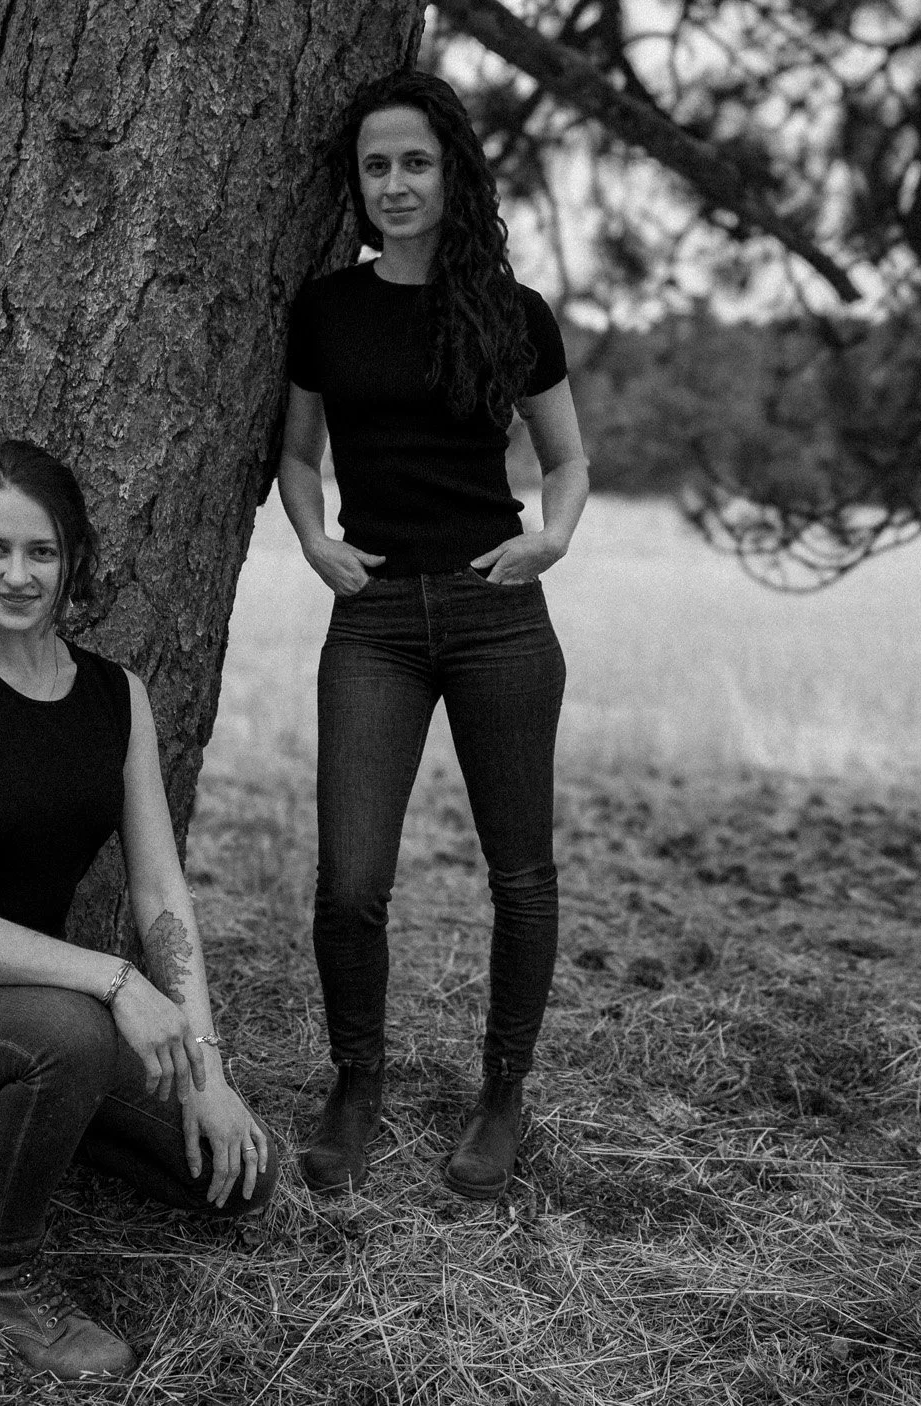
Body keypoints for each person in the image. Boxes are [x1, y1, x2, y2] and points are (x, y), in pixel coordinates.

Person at [0, 439, 275, 1381]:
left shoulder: (118, 697)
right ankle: (3, 1273)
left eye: (40, 552)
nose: (17, 575)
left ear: (73, 558)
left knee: (235, 1180)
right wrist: (113, 981)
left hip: (35, 1009)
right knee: (69, 1034)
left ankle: (2, 1125)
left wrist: (204, 1067)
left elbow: (159, 892)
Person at [277, 70, 592, 1200]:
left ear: (450, 173)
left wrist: (548, 541)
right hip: (371, 621)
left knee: (521, 873)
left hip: (497, 614)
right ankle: (354, 1085)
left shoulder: (512, 311)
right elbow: (299, 453)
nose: (396, 183)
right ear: (355, 186)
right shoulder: (325, 309)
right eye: (376, 165)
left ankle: (501, 1094)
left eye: (415, 161)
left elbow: (565, 459)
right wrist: (314, 540)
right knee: (350, 880)